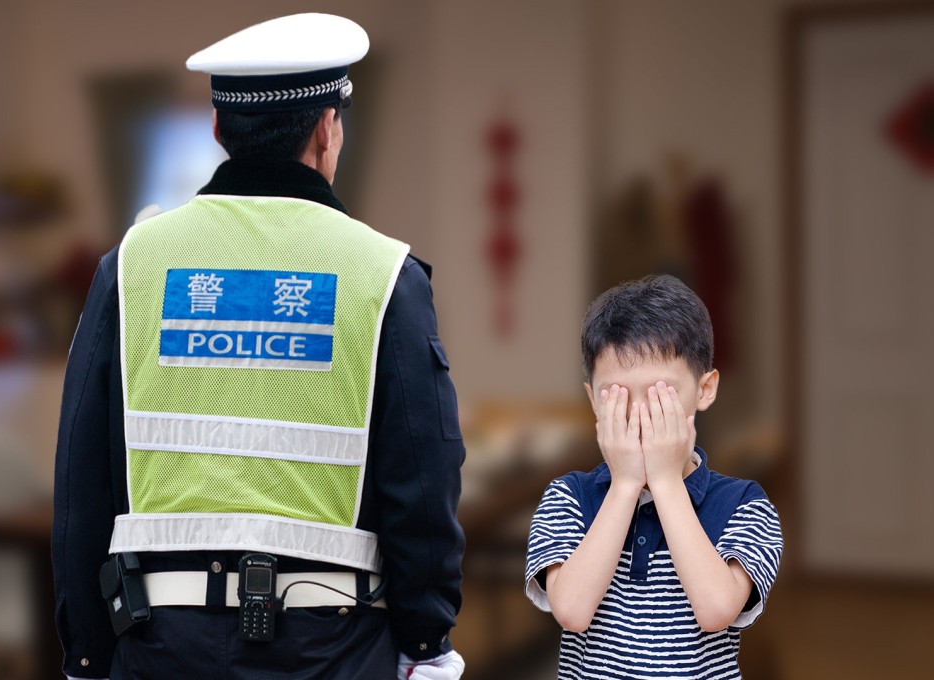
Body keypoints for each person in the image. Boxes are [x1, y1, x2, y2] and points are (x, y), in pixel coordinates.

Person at [52, 13, 466, 680]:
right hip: (332, 648)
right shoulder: (383, 274)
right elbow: (422, 475)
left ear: (220, 131)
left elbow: (82, 476)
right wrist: (426, 640)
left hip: (158, 644)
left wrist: (86, 651)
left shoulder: (132, 266)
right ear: (329, 129)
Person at [524, 275, 782, 679]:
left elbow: (717, 610)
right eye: (618, 397)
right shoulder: (567, 497)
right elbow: (571, 611)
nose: (640, 417)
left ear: (705, 389)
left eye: (661, 394)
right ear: (593, 399)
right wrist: (625, 485)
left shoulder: (744, 505)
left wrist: (664, 481)